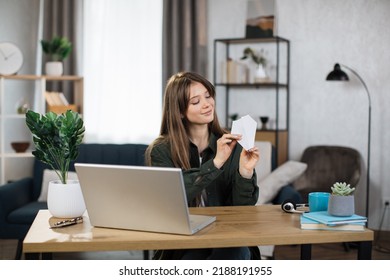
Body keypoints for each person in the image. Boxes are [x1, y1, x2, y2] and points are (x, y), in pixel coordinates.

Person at [145, 71, 260, 260]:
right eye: (195, 101)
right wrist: (215, 163)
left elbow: (244, 208)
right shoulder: (161, 150)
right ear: (180, 111)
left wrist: (245, 173)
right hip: (182, 242)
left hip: (229, 238)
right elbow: (169, 198)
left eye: (208, 96)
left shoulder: (234, 144)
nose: (207, 104)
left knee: (235, 251)